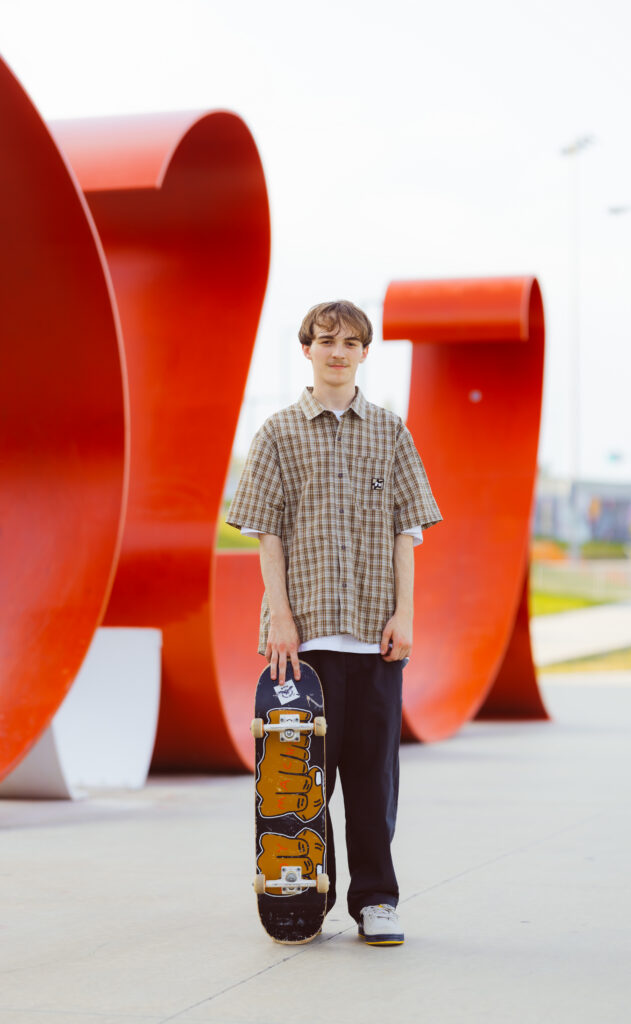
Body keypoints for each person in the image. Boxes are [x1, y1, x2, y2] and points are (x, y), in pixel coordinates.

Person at [227, 300, 441, 946]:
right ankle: (307, 895)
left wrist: (405, 614)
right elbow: (266, 535)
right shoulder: (277, 433)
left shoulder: (390, 432)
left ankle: (375, 899)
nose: (337, 351)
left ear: (364, 353)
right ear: (307, 350)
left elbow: (407, 532)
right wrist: (281, 618)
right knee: (301, 783)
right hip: (304, 645)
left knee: (372, 781)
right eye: (326, 341)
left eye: (350, 342)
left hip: (375, 639)